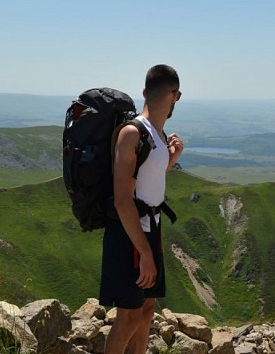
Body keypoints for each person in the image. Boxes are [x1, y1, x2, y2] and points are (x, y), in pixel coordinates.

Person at [100, 64, 184, 354]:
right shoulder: (132, 133)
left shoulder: (157, 135)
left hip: (151, 228)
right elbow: (122, 199)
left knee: (147, 309)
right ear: (174, 96)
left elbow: (147, 183)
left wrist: (171, 159)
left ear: (145, 92)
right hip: (130, 234)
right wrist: (145, 253)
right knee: (129, 317)